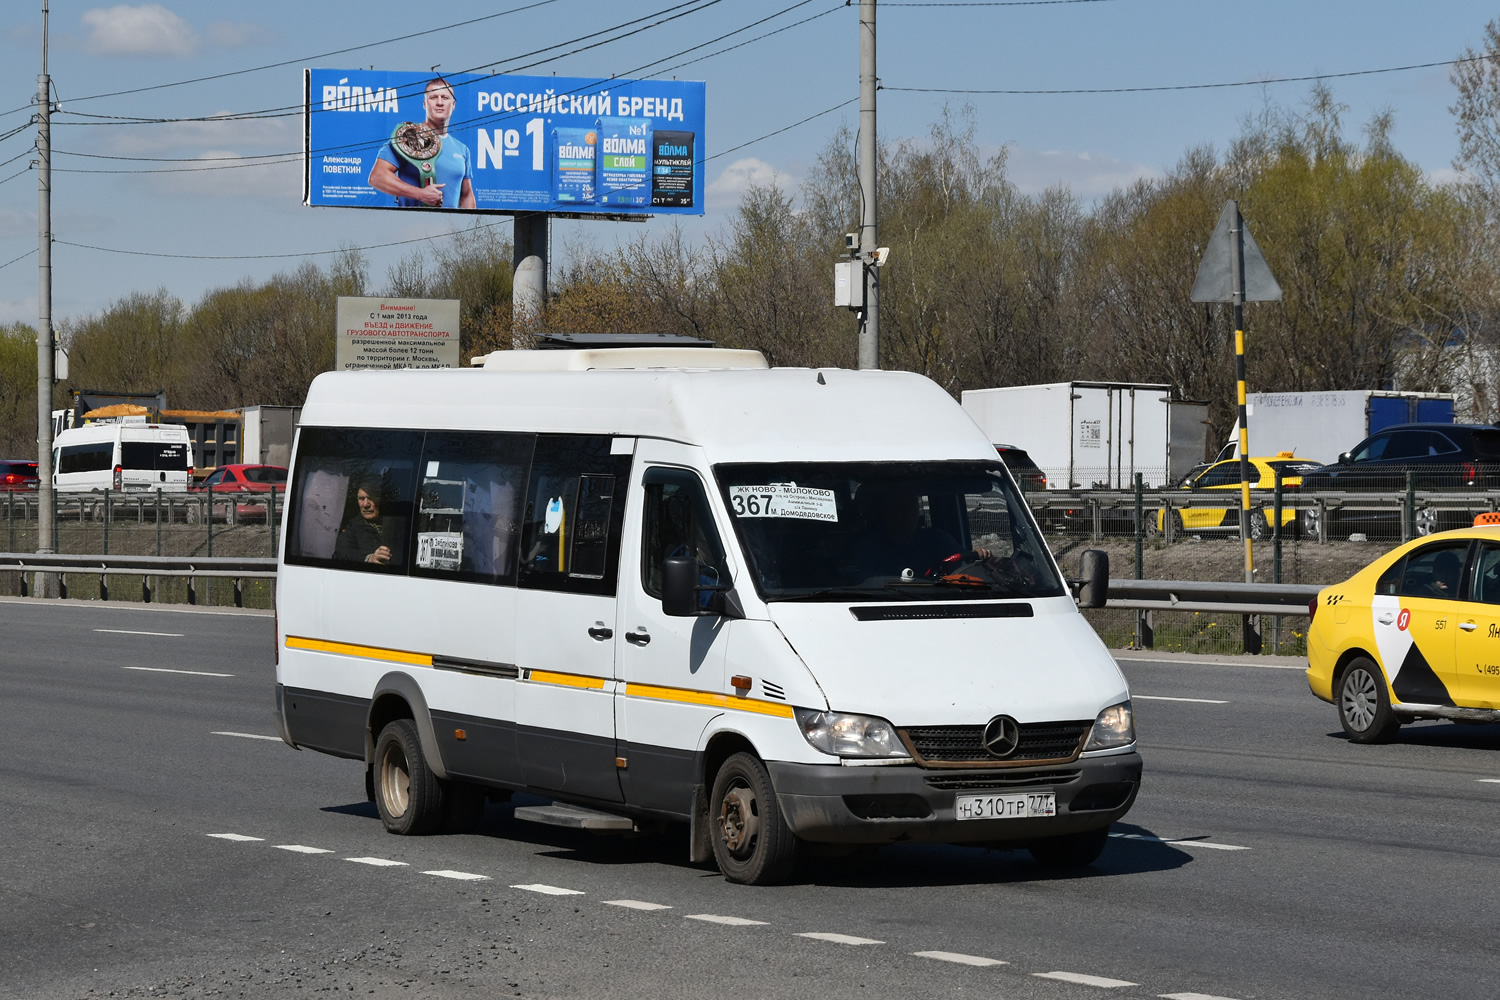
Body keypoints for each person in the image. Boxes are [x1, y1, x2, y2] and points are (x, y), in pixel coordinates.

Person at [367, 77, 476, 209]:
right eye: (433, 97)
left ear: (453, 104)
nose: (439, 102)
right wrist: (420, 194)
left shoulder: (462, 149)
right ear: (424, 103)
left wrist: (470, 226)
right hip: (411, 225)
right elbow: (377, 177)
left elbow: (466, 196)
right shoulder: (407, 137)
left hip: (451, 228)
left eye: (445, 97)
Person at [335, 479, 393, 565]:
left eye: (371, 498)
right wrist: (369, 558)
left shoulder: (396, 522)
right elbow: (342, 552)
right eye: (361, 499)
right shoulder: (352, 526)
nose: (365, 504)